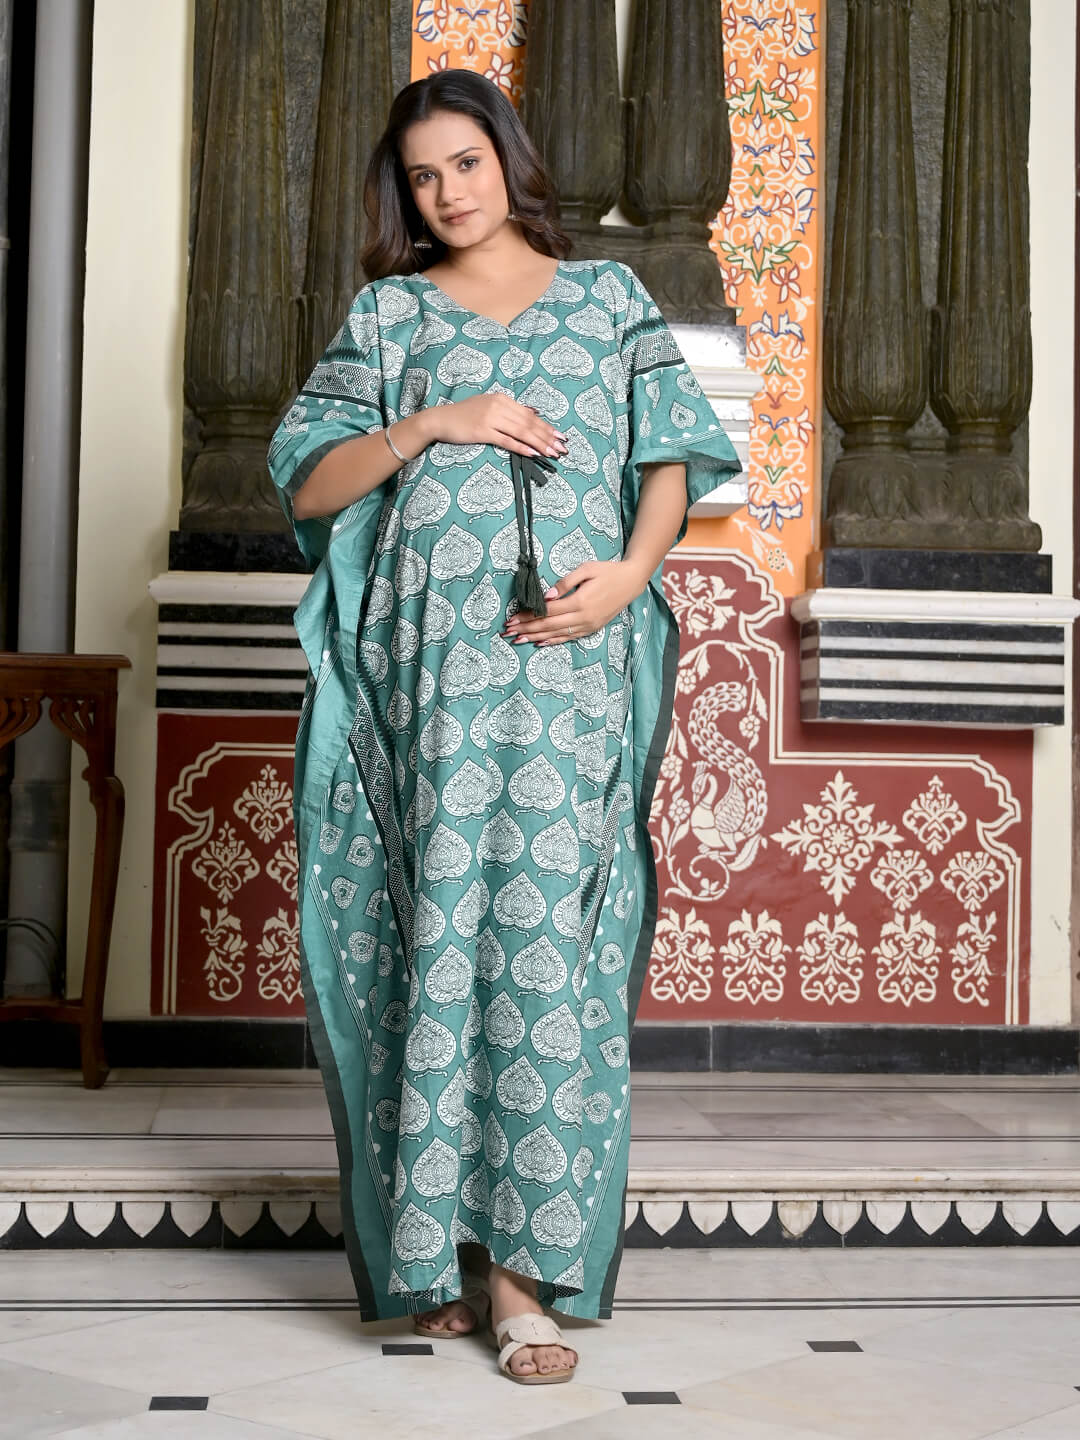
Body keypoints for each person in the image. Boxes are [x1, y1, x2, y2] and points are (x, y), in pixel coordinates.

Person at [267, 69, 741, 1386]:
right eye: (422, 176)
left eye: (465, 163)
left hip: (566, 673)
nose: (446, 192)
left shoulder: (608, 300)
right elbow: (309, 481)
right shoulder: (391, 314)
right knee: (430, 940)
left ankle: (525, 1282)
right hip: (427, 678)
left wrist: (632, 577)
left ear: (507, 160)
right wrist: (437, 420)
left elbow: (669, 460)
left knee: (542, 949)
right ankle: (433, 1259)